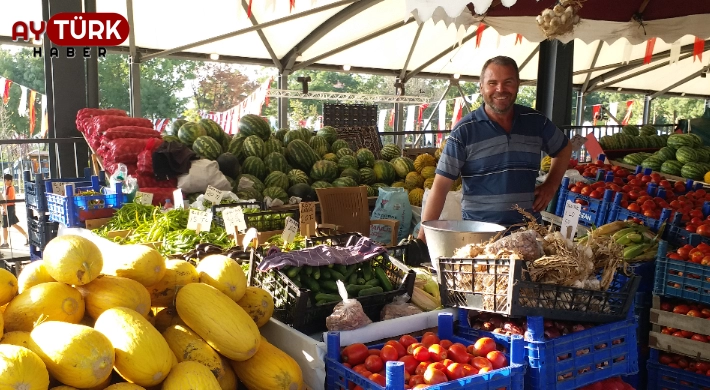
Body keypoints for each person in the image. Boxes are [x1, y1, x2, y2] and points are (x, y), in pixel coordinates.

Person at [418, 56, 572, 241]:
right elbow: (440, 188)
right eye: (492, 83)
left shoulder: (536, 122)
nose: (500, 89)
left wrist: (551, 185)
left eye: (508, 82)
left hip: (528, 235)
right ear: (481, 87)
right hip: (480, 238)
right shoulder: (464, 131)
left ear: (518, 84)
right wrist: (422, 240)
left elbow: (564, 148)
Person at [2, 174, 29, 248]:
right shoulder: (11, 188)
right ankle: (27, 237)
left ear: (9, 181)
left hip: (8, 207)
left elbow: (6, 199)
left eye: (5, 180)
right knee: (14, 224)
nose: (4, 182)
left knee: (4, 226)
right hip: (11, 207)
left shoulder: (8, 188)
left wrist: (4, 208)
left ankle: (5, 243)